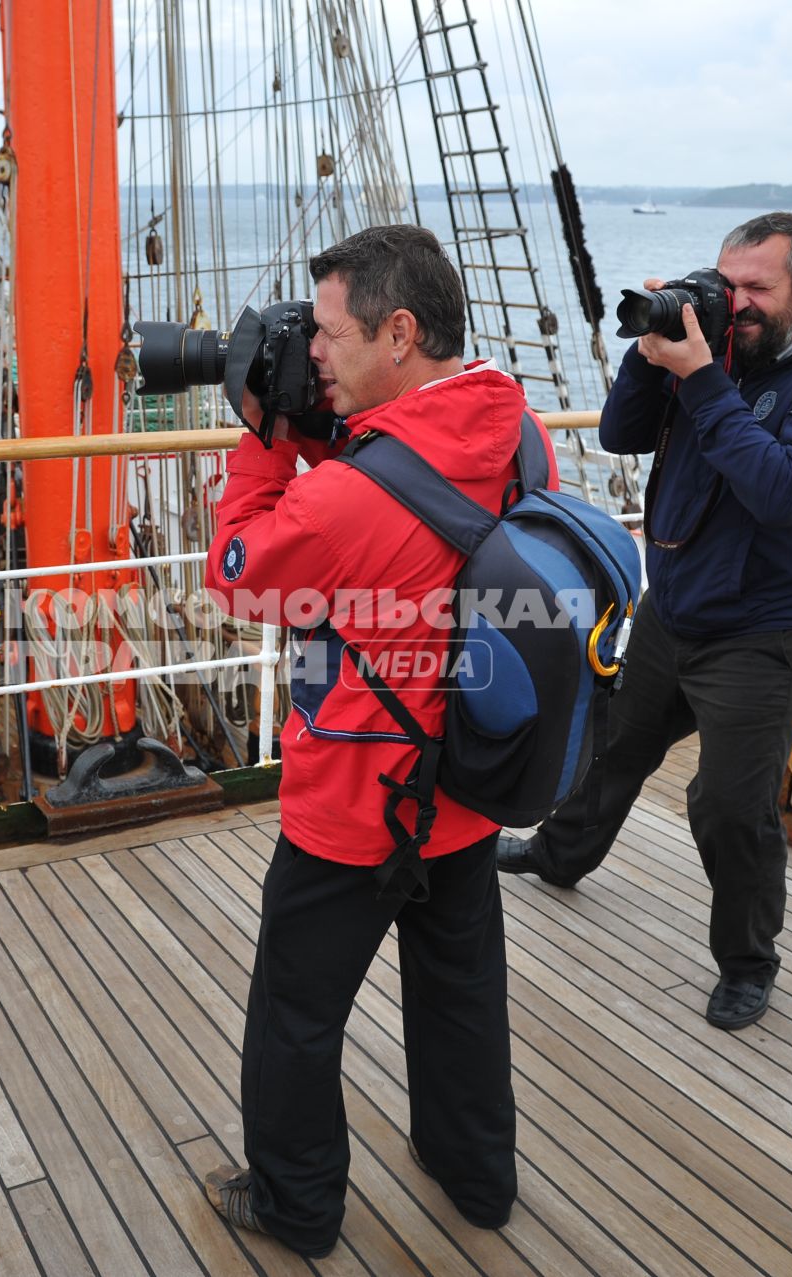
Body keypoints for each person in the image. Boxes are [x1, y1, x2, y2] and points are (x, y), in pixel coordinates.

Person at [200, 225, 548, 1257]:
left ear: (399, 333)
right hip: (468, 782)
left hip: (355, 804)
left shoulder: (346, 491)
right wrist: (329, 436)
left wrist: (267, 433)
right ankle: (477, 1178)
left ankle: (296, 1205)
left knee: (295, 1020)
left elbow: (239, 571)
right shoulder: (518, 430)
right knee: (462, 1001)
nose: (314, 353)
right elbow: (417, 529)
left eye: (332, 335)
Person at [495, 212, 792, 1031]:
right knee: (611, 745)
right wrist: (651, 360)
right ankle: (559, 853)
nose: (737, 303)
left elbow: (783, 488)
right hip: (677, 609)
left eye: (758, 289)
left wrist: (705, 377)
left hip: (766, 632)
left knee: (726, 806)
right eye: (729, 283)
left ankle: (749, 962)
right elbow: (616, 433)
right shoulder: (715, 349)